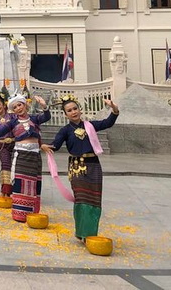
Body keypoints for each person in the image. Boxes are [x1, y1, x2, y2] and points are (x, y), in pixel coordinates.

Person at [41, 96, 120, 241]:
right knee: (82, 199)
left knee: (94, 200)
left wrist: (114, 109)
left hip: (94, 165)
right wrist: (44, 146)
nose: (73, 112)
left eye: (75, 109)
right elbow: (55, 145)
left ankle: (90, 234)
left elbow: (108, 122)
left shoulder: (90, 125)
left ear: (80, 110)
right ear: (66, 115)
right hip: (77, 168)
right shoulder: (65, 130)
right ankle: (81, 232)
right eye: (69, 110)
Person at [0, 94, 50, 222]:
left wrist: (44, 105)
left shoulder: (34, 119)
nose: (18, 108)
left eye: (19, 105)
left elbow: (46, 117)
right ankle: (19, 213)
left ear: (25, 105)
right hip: (20, 155)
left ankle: (32, 213)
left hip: (34, 156)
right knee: (20, 183)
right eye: (15, 107)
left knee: (32, 183)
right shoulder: (13, 122)